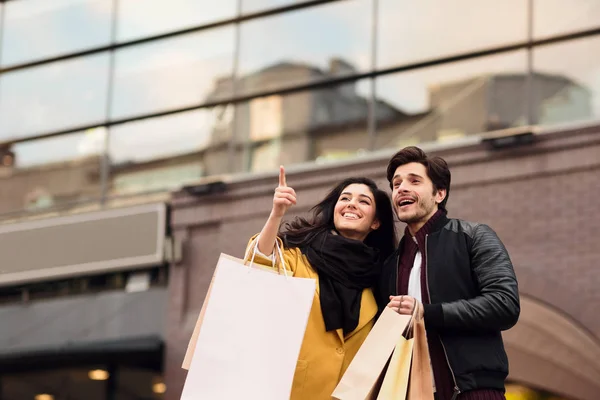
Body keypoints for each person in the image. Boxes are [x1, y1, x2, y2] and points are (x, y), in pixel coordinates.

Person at [377, 146, 520, 400]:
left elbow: (505, 304)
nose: (401, 188)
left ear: (439, 193)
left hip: (474, 391)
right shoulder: (391, 265)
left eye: (414, 181)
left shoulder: (473, 236)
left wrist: (429, 313)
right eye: (396, 184)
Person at [246, 166, 396, 400]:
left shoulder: (379, 277)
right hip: (291, 391)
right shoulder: (299, 256)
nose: (351, 204)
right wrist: (276, 214)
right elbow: (258, 263)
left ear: (375, 222)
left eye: (363, 201)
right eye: (344, 198)